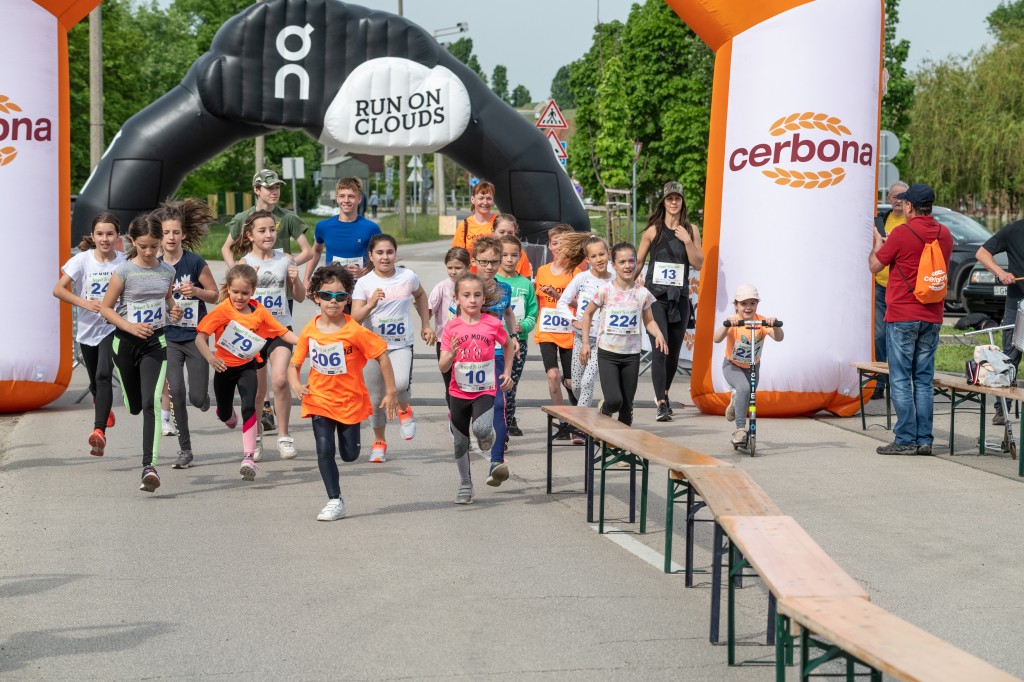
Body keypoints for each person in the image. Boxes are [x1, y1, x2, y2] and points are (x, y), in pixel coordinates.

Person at [289, 263, 399, 521]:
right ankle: (335, 500)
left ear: (348, 299)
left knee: (349, 455)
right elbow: (294, 365)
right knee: (324, 450)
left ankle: (349, 454)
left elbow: (382, 355)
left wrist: (391, 391)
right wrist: (295, 384)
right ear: (316, 297)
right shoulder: (310, 329)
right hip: (319, 400)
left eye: (340, 296)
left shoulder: (354, 330)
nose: (333, 301)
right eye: (326, 295)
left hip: (350, 402)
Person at [221, 168, 313, 433]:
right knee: (257, 383)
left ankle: (280, 427)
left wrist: (288, 267)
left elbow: (307, 251)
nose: (274, 191)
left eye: (277, 187)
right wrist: (239, 275)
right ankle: (262, 415)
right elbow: (226, 247)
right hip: (252, 308)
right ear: (256, 190)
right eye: (269, 187)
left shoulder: (287, 217)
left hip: (281, 295)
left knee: (279, 374)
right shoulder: (243, 218)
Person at [99, 214, 183, 492]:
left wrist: (174, 310)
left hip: (155, 344)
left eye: (154, 246)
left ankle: (150, 467)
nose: (148, 252)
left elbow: (167, 298)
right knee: (135, 405)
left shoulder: (167, 271)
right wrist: (130, 327)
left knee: (151, 402)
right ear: (132, 242)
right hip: (125, 343)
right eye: (143, 246)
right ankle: (130, 397)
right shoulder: (123, 271)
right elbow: (106, 309)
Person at [869, 183, 952, 456]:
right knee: (924, 380)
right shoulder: (945, 234)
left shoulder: (901, 233)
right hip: (933, 316)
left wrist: (878, 243)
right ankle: (924, 439)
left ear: (909, 207)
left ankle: (905, 439)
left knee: (901, 379)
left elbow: (875, 266)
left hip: (903, 315)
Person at [195, 264, 298, 480]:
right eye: (235, 292)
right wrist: (211, 358)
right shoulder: (222, 311)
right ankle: (226, 414)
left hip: (247, 367)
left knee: (249, 406)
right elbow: (200, 338)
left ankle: (248, 457)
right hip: (223, 367)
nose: (240, 297)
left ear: (253, 291)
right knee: (225, 414)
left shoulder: (259, 311)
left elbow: (282, 333)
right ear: (228, 289)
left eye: (245, 293)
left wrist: (307, 342)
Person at [351, 234, 435, 462]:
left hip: (400, 344)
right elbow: (355, 318)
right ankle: (379, 442)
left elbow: (421, 295)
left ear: (395, 254)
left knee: (399, 385)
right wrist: (371, 303)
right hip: (372, 348)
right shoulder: (364, 283)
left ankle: (404, 408)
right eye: (379, 253)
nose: (385, 257)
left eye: (389, 252)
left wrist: (425, 324)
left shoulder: (408, 277)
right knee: (375, 398)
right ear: (370, 256)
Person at [233, 210, 307, 460]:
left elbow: (300, 297)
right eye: (262, 230)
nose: (268, 235)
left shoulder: (285, 260)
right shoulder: (243, 264)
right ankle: (255, 437)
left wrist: (295, 281)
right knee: (256, 390)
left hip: (280, 330)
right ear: (250, 235)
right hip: (252, 334)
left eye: (272, 230)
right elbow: (232, 302)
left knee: (281, 380)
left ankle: (284, 436)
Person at [53, 213, 126, 456]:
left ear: (117, 236)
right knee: (95, 380)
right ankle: (101, 403)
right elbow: (58, 290)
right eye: (100, 234)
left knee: (104, 374)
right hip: (88, 329)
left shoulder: (124, 262)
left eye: (110, 234)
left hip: (112, 327)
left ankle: (99, 431)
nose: (105, 239)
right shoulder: (82, 260)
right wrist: (85, 303)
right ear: (93, 236)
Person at [439, 273, 515, 503]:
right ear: (456, 299)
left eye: (477, 295)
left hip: (484, 389)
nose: (472, 300)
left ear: (484, 299)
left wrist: (507, 372)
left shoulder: (492, 323)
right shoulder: (451, 327)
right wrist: (451, 355)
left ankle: (486, 435)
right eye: (466, 295)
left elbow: (508, 345)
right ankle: (465, 484)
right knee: (460, 441)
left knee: (481, 429)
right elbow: (443, 366)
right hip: (458, 391)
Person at [156, 199, 219, 469]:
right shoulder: (155, 265)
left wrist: (196, 291)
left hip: (196, 338)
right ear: (160, 236)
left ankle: (203, 398)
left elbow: (216, 295)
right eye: (166, 232)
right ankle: (185, 450)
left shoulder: (194, 262)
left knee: (196, 397)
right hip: (169, 338)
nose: (171, 237)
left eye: (175, 232)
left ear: (183, 234)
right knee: (177, 392)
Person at [636, 180, 704, 421]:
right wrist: (626, 286)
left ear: (682, 202)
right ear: (663, 202)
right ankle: (661, 403)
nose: (673, 202)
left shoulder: (691, 229)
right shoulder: (652, 230)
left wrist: (687, 240)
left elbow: (698, 263)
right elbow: (639, 262)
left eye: (677, 198)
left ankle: (664, 392)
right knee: (659, 347)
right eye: (669, 198)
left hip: (680, 298)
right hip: (655, 297)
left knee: (673, 352)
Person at [580, 242, 667, 426]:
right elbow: (587, 314)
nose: (628, 266)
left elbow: (649, 321)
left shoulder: (642, 293)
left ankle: (620, 443)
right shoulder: (605, 291)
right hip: (608, 353)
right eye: (622, 262)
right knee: (614, 401)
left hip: (631, 355)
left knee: (626, 407)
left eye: (631, 261)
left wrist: (658, 334)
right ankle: (605, 410)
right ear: (613, 265)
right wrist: (586, 343)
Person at [534, 226, 590, 438]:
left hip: (569, 331)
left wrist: (560, 298)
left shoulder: (577, 273)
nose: (558, 247)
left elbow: (582, 305)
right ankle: (563, 423)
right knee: (553, 375)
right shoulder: (542, 271)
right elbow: (537, 302)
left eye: (563, 243)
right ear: (549, 245)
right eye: (555, 243)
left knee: (571, 382)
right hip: (547, 330)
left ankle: (578, 422)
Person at [712, 284, 785, 445]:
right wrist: (726, 324)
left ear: (757, 304)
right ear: (736, 305)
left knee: (748, 395)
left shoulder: (761, 321)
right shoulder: (734, 322)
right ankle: (740, 430)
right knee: (744, 389)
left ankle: (735, 401)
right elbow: (716, 339)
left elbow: (779, 338)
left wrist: (774, 325)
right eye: (743, 303)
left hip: (752, 367)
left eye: (752, 303)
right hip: (732, 365)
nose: (748, 307)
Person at [470, 236, 520, 464]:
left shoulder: (504, 289)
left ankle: (497, 461)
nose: (489, 267)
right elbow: (454, 318)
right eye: (484, 262)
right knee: (474, 407)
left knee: (499, 404)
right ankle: (482, 432)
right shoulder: (466, 287)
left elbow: (508, 312)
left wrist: (513, 335)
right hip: (470, 356)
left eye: (494, 262)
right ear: (474, 261)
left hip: (497, 353)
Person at [975, 214, 1024, 425]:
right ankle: (1002, 409)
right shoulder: (1014, 230)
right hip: (1017, 304)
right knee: (1008, 358)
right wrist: (1000, 273)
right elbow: (982, 253)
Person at [558, 236, 613, 410]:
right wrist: (574, 321)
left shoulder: (614, 279)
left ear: (609, 254)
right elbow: (562, 303)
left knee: (588, 382)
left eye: (602, 254)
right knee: (576, 386)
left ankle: (581, 421)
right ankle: (590, 409)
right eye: (594, 256)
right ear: (587, 260)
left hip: (602, 340)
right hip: (581, 338)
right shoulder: (582, 278)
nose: (599, 259)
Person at [303, 177, 381, 289]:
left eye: (351, 196)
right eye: (342, 196)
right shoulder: (323, 226)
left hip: (361, 289)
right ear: (337, 198)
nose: (346, 200)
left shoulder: (371, 228)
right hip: (332, 290)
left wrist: (364, 271)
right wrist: (306, 279)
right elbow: (316, 251)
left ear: (359, 199)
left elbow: (380, 257)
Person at [496, 234, 538, 438]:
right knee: (493, 387)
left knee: (510, 387)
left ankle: (504, 431)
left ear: (520, 257)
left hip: (517, 343)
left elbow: (533, 313)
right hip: (494, 343)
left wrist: (524, 327)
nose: (509, 259)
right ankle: (492, 426)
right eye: (504, 255)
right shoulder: (492, 281)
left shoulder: (525, 284)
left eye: (514, 255)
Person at [872, 181, 909, 398]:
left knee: (899, 337)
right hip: (880, 286)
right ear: (889, 199)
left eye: (902, 196)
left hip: (902, 290)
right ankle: (879, 383)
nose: (898, 200)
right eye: (895, 196)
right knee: (879, 336)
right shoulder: (881, 220)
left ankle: (899, 383)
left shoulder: (911, 222)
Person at [428, 247, 471, 410]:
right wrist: (426, 325)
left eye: (458, 267)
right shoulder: (441, 287)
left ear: (468, 266)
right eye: (450, 267)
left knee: (468, 382)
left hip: (470, 341)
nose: (453, 272)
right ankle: (454, 415)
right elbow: (429, 310)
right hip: (445, 342)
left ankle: (469, 414)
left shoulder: (474, 285)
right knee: (450, 383)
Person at [451, 181, 496, 254]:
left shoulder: (499, 222)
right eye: (481, 198)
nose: (485, 202)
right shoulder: (464, 225)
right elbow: (456, 255)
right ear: (472, 199)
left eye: (489, 198)